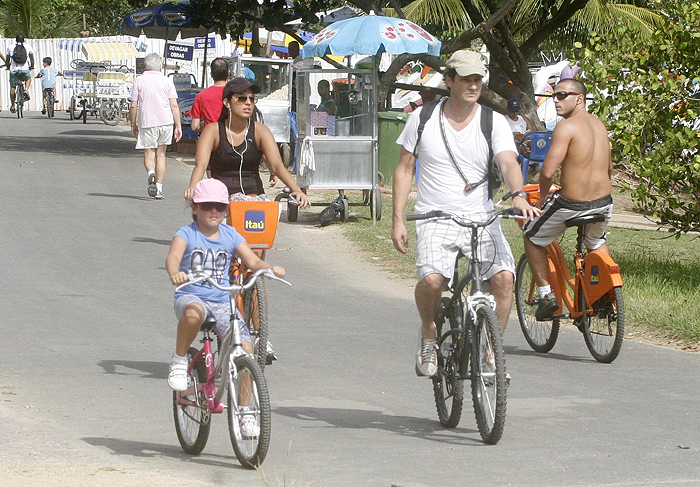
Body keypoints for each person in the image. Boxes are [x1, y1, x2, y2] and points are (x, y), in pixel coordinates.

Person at [391, 49, 540, 377]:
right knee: (432, 281)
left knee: (504, 278)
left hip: (481, 216)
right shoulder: (423, 118)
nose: (473, 86)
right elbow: (404, 169)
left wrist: (518, 195)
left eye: (478, 80)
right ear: (449, 81)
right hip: (435, 216)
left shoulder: (493, 121)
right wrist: (398, 219)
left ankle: (490, 351)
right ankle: (429, 333)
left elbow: (508, 161)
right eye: (466, 80)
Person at [165, 178, 285, 435]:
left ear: (226, 210)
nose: (213, 212)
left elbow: (251, 259)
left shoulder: (230, 234)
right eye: (206, 206)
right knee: (193, 313)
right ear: (194, 207)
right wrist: (175, 271)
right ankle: (178, 360)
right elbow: (173, 256)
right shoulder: (187, 233)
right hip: (192, 295)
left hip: (221, 299)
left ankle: (245, 413)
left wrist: (270, 268)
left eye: (219, 207)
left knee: (246, 349)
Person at [522, 78, 613, 321]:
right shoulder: (599, 125)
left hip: (571, 205)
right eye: (553, 95)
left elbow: (548, 172)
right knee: (596, 241)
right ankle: (605, 296)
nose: (555, 100)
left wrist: (541, 199)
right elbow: (609, 169)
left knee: (531, 236)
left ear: (579, 98)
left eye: (562, 95)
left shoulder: (566, 127)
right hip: (604, 203)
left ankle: (546, 296)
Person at [185, 76, 310, 208]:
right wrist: (193, 188)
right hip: (221, 200)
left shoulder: (260, 131)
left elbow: (277, 166)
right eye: (241, 98)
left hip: (254, 197)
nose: (248, 102)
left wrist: (296, 190)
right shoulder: (212, 131)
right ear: (227, 103)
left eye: (252, 98)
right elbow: (201, 165)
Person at [129, 53, 182, 200]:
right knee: (161, 154)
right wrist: (178, 125)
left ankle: (151, 172)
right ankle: (159, 188)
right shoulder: (167, 81)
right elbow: (174, 104)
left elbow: (133, 105)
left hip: (147, 121)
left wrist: (133, 123)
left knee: (149, 152)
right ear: (160, 65)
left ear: (145, 66)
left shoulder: (139, 81)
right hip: (166, 121)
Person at [190, 57, 229, 132]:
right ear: (228, 73)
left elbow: (195, 126)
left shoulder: (201, 95)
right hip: (232, 138)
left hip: (211, 138)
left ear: (211, 74)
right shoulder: (235, 93)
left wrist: (208, 129)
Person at [5, 35, 35, 113]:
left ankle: (13, 105)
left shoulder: (10, 47)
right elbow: (32, 59)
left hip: (14, 70)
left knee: (13, 88)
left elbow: (7, 59)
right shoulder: (28, 47)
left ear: (16, 40)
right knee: (28, 78)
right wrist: (32, 66)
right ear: (24, 40)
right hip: (24, 70)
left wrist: (8, 66)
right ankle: (25, 89)